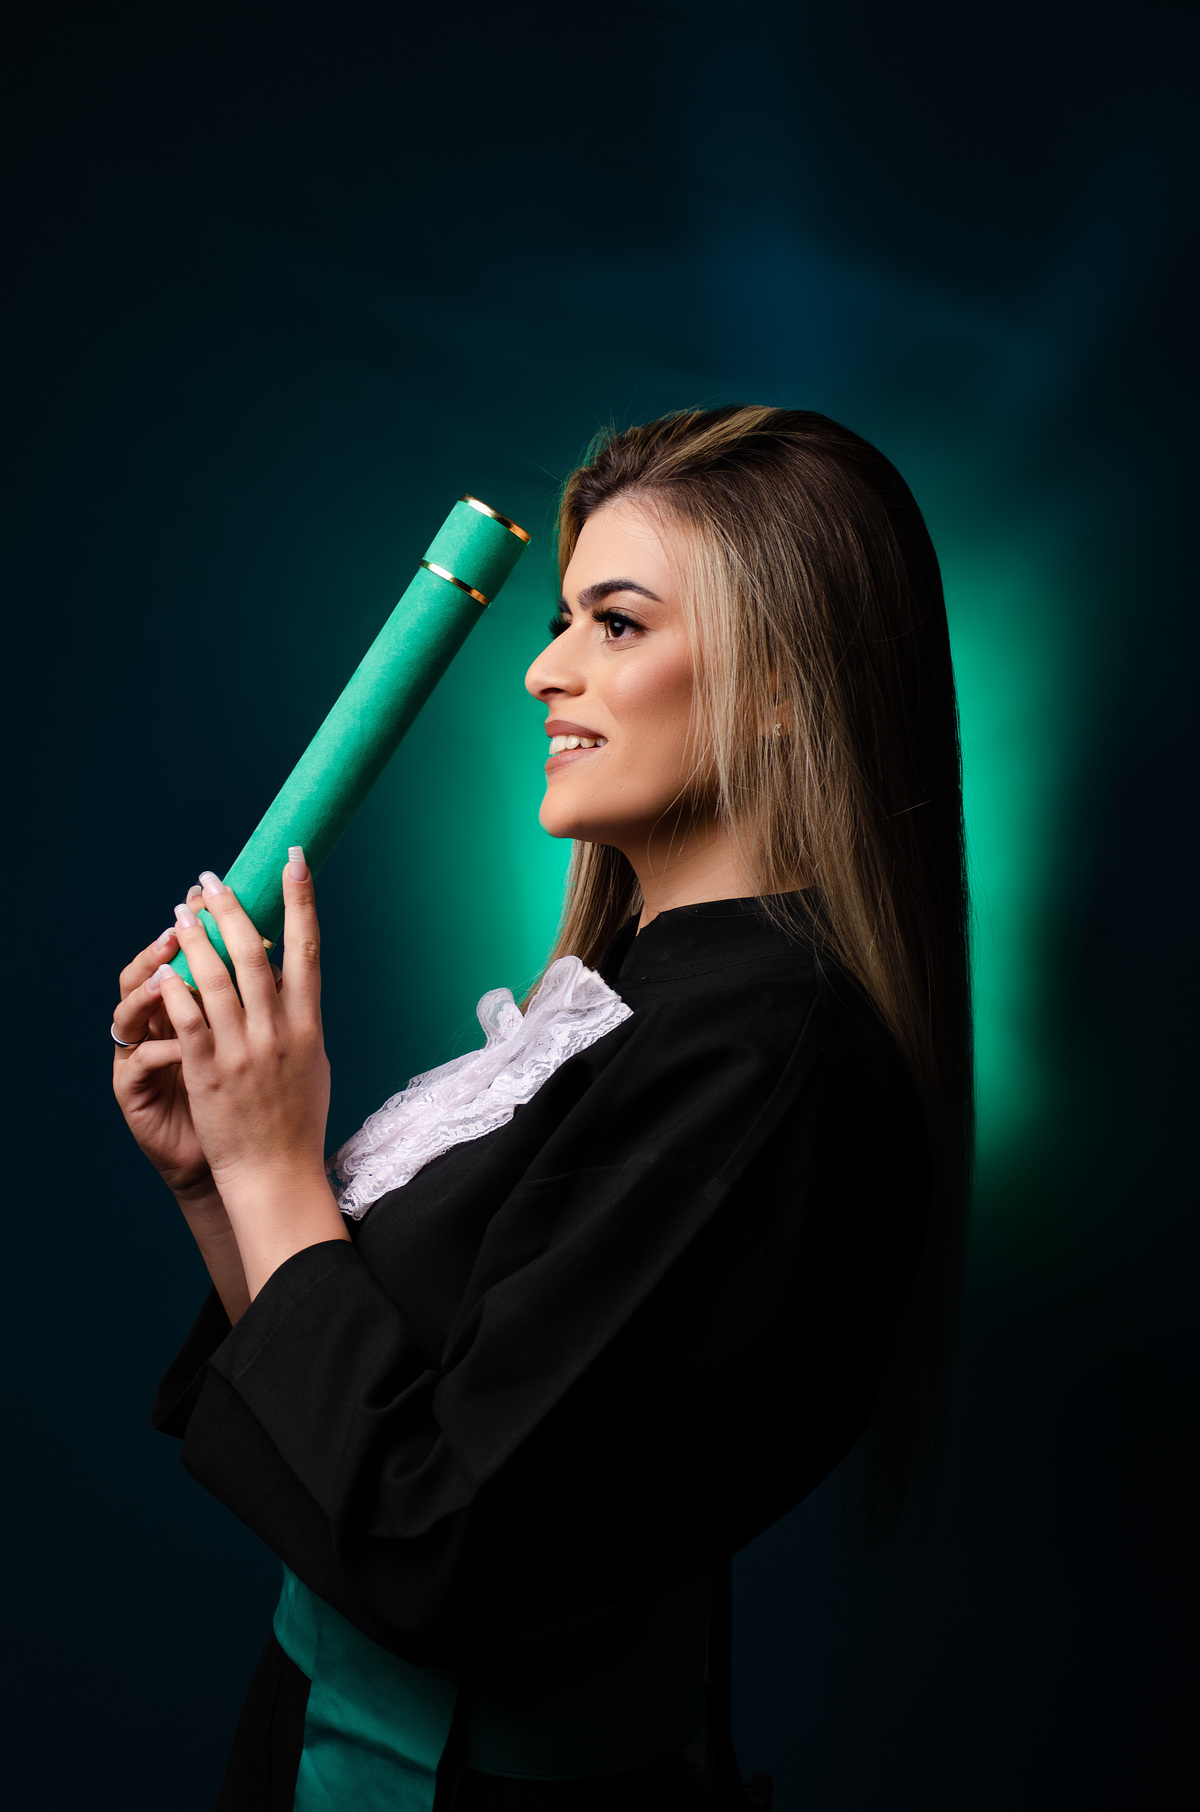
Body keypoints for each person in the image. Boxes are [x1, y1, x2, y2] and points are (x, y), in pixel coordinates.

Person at [111, 406, 973, 1812]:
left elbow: (431, 1542)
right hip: (320, 1745)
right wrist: (222, 1176)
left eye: (615, 625)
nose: (543, 669)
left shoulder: (767, 1057)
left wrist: (277, 1166)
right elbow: (368, 1423)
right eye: (564, 619)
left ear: (783, 687)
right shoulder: (635, 997)